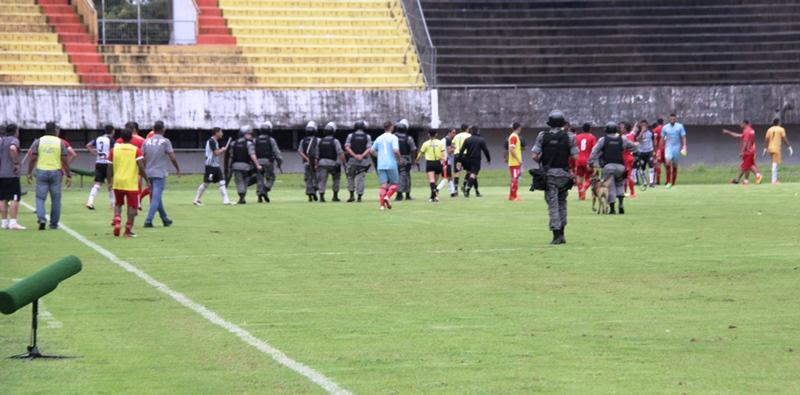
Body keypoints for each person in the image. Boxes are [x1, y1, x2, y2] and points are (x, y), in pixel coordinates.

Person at [531, 110, 578, 245]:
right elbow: (575, 157)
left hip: (549, 175)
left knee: (553, 205)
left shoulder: (542, 136)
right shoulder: (569, 137)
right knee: (562, 203)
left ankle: (556, 234)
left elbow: (534, 155)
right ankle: (562, 233)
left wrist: (542, 163)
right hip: (564, 175)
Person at [588, 121, 639, 215]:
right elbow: (633, 146)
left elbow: (594, 151)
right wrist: (636, 154)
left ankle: (612, 209)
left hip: (608, 167)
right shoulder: (622, 139)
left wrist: (590, 162)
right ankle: (621, 204)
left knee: (610, 187)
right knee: (620, 185)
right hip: (620, 166)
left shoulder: (603, 140)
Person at [27, 122, 71, 230]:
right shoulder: (60, 142)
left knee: (40, 197)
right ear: (56, 130)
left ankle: (41, 218)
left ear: (45, 129)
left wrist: (29, 172)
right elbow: (65, 160)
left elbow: (33, 158)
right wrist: (68, 175)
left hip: (41, 171)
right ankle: (54, 224)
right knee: (56, 199)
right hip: (55, 172)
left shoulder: (39, 141)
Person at [108, 128, 148, 237]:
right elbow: (141, 166)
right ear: (131, 137)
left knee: (118, 203)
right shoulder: (135, 150)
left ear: (120, 137)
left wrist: (109, 181)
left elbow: (109, 166)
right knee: (132, 206)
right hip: (131, 183)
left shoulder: (114, 150)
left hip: (118, 181)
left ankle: (117, 221)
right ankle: (127, 231)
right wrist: (147, 180)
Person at [142, 120, 181, 228]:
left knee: (156, 197)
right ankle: (148, 220)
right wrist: (177, 168)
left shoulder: (146, 142)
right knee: (156, 198)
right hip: (159, 173)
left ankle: (165, 219)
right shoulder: (165, 141)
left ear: (153, 130)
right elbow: (172, 157)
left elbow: (142, 158)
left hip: (148, 173)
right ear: (164, 130)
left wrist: (143, 171)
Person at [194, 127, 233, 205]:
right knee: (206, 183)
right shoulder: (212, 141)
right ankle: (196, 200)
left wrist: (221, 150)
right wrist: (223, 150)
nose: (222, 134)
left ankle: (226, 200)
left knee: (222, 182)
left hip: (216, 165)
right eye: (221, 132)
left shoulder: (215, 142)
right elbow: (216, 153)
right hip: (210, 166)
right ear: (216, 133)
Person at [370, 121, 402, 210]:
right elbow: (395, 150)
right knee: (394, 183)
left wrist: (379, 155)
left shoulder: (379, 138)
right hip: (391, 163)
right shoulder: (393, 138)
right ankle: (387, 196)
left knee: (383, 185)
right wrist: (399, 159)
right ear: (391, 127)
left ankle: (382, 206)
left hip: (381, 164)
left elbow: (371, 151)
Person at [0, 124, 25, 229]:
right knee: (15, 197)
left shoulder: (1, 140)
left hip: (2, 173)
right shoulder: (14, 140)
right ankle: (13, 222)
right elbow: (13, 148)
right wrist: (15, 163)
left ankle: (4, 222)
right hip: (11, 174)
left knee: (3, 198)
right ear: (16, 131)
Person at [85, 124, 115, 210]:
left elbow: (88, 145)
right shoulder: (111, 140)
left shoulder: (98, 139)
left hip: (98, 162)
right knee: (110, 183)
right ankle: (112, 204)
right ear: (113, 131)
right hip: (108, 163)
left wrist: (95, 154)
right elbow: (114, 150)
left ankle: (90, 202)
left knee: (97, 184)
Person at [229, 126, 261, 204]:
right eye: (249, 134)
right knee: (245, 182)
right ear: (244, 134)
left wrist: (228, 165)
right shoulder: (249, 143)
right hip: (246, 166)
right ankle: (242, 196)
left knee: (239, 182)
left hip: (236, 166)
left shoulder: (234, 143)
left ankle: (241, 197)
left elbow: (231, 156)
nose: (250, 135)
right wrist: (257, 164)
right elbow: (252, 155)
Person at [723, 120, 762, 185]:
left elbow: (746, 142)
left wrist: (742, 151)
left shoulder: (746, 131)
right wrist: (728, 132)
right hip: (752, 150)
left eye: (741, 124)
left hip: (748, 152)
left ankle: (758, 175)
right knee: (748, 166)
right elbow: (737, 135)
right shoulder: (751, 130)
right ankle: (744, 181)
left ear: (744, 124)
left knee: (746, 166)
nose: (740, 125)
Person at [316, 122, 347, 202]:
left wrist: (316, 164)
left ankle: (322, 197)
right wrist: (344, 163)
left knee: (322, 180)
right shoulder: (335, 141)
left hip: (322, 163)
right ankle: (335, 196)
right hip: (332, 164)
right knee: (336, 178)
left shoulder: (320, 141)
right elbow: (340, 153)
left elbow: (317, 154)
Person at [253, 121, 282, 203]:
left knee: (259, 178)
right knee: (271, 178)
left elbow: (252, 151)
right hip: (268, 162)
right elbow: (276, 152)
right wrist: (279, 162)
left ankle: (259, 197)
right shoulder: (271, 140)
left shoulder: (256, 140)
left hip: (258, 161)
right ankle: (265, 190)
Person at [344, 120, 372, 203]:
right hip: (363, 161)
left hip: (352, 160)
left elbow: (347, 147)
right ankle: (359, 197)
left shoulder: (350, 136)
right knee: (361, 178)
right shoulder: (367, 136)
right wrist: (362, 156)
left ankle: (351, 195)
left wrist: (354, 155)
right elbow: (369, 148)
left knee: (350, 176)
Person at [459, 125, 491, 198]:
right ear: (478, 131)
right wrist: (488, 159)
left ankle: (477, 192)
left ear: (471, 131)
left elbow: (461, 150)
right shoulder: (481, 140)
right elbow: (486, 150)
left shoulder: (467, 140)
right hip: (476, 159)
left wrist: (460, 160)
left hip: (467, 159)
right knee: (473, 175)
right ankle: (467, 191)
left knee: (473, 176)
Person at [415, 129, 445, 202]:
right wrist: (444, 164)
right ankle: (434, 196)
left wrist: (417, 159)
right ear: (436, 134)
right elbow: (443, 155)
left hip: (430, 163)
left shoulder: (426, 144)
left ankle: (433, 195)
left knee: (431, 181)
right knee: (435, 181)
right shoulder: (440, 143)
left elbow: (421, 153)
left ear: (428, 134)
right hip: (438, 163)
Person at [659, 114, 687, 189]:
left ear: (676, 119)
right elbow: (662, 139)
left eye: (673, 119)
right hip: (668, 147)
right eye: (671, 119)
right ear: (669, 119)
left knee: (675, 165)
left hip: (677, 148)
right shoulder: (665, 128)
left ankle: (673, 184)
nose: (672, 121)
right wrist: (659, 150)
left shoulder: (680, 126)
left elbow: (683, 137)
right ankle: (668, 182)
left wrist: (684, 147)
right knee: (668, 162)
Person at [763, 118, 793, 184]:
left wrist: (765, 149)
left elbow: (766, 140)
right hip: (776, 149)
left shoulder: (769, 129)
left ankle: (775, 179)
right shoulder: (781, 129)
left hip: (770, 148)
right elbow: (784, 139)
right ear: (778, 122)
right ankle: (774, 180)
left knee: (774, 163)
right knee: (775, 165)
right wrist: (789, 148)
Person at [394, 119, 416, 201]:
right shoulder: (409, 138)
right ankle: (404, 194)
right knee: (405, 177)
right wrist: (413, 161)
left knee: (397, 177)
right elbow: (413, 150)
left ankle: (399, 193)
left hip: (395, 158)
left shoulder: (394, 137)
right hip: (406, 159)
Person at [298, 121, 320, 202]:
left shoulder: (302, 140)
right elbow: (318, 152)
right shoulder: (318, 140)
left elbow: (300, 151)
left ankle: (310, 195)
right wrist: (315, 161)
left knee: (308, 179)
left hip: (306, 163)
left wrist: (307, 159)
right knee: (317, 178)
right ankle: (315, 189)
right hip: (316, 163)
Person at [574, 123, 596, 200]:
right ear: (590, 129)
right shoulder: (592, 137)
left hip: (579, 160)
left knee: (579, 178)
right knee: (591, 178)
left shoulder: (577, 137)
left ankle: (580, 196)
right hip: (588, 160)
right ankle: (584, 189)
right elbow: (594, 150)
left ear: (582, 129)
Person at [505, 122, 524, 201]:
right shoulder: (514, 137)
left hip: (514, 162)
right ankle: (513, 196)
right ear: (518, 128)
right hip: (514, 162)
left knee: (515, 178)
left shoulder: (514, 136)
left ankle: (513, 195)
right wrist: (518, 159)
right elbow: (511, 149)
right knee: (515, 178)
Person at [636, 120, 656, 188]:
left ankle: (651, 182)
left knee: (651, 165)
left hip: (649, 151)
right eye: (642, 125)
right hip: (642, 152)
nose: (643, 126)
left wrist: (655, 151)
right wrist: (641, 132)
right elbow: (637, 140)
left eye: (644, 125)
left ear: (647, 125)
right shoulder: (638, 132)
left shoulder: (650, 132)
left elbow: (653, 141)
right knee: (643, 167)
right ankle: (644, 182)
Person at [452, 123, 471, 196]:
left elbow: (453, 145)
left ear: (460, 129)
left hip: (457, 155)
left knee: (457, 172)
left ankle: (456, 190)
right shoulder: (469, 135)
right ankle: (464, 184)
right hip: (466, 154)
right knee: (469, 171)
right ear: (467, 129)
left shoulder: (456, 136)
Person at [620, 122, 637, 198]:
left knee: (628, 176)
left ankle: (632, 193)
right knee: (624, 176)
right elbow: (633, 132)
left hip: (626, 158)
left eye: (622, 127)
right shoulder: (630, 135)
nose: (621, 129)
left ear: (626, 129)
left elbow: (623, 149)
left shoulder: (625, 137)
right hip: (629, 157)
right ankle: (624, 192)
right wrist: (634, 127)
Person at [440, 128, 457, 196]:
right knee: (447, 177)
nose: (454, 134)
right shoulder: (448, 140)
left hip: (442, 160)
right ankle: (436, 189)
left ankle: (452, 192)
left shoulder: (443, 140)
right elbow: (449, 151)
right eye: (453, 132)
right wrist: (454, 148)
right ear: (449, 133)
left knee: (449, 177)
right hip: (446, 160)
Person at [652, 118, 664, 185]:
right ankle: (668, 181)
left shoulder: (655, 130)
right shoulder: (666, 129)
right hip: (666, 148)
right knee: (666, 164)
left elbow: (654, 140)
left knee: (657, 164)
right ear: (663, 122)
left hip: (658, 149)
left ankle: (657, 181)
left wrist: (655, 150)